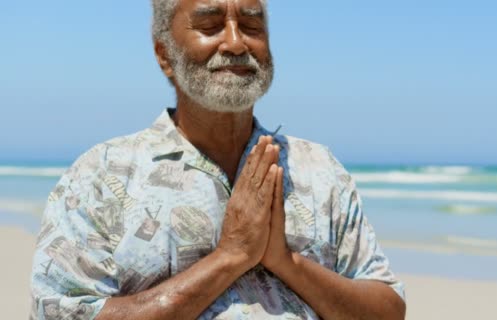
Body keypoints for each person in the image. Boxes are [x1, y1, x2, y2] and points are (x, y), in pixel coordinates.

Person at [29, 0, 406, 319]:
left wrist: (286, 262)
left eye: (251, 25)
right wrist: (230, 257)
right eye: (210, 26)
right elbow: (62, 312)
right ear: (164, 55)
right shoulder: (102, 174)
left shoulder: (319, 169)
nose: (236, 42)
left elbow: (388, 308)